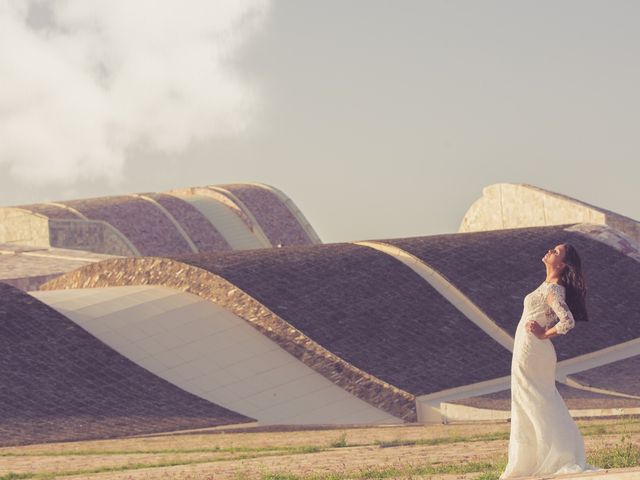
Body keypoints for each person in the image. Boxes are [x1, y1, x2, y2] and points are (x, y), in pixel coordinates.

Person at [500, 243, 596, 479]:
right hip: (529, 348)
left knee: (534, 399)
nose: (550, 252)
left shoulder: (553, 289)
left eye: (556, 252)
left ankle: (555, 455)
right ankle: (537, 457)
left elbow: (567, 321)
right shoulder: (548, 286)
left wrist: (544, 334)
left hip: (533, 348)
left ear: (562, 264)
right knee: (532, 399)